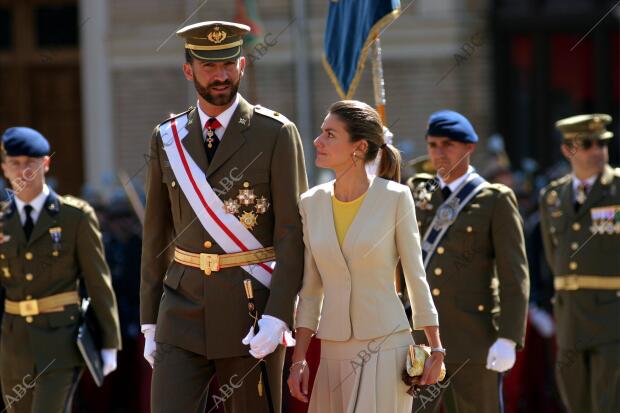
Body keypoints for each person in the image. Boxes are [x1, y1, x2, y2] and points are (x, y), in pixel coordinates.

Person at [140, 21, 308, 413]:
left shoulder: (275, 133)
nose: (220, 75)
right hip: (181, 308)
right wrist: (149, 319)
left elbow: (292, 232)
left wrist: (279, 314)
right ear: (188, 70)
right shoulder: (167, 137)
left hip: (249, 308)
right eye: (208, 66)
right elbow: (155, 233)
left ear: (243, 65)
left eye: (228, 64)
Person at [287, 100, 444, 412]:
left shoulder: (396, 198)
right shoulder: (310, 202)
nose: (318, 141)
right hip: (332, 351)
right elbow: (310, 288)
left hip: (386, 345)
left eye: (330, 134)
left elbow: (416, 277)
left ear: (358, 148)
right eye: (321, 133)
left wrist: (435, 344)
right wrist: (299, 358)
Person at [407, 110, 529, 413]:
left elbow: (514, 275)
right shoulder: (419, 192)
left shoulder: (494, 199)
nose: (438, 152)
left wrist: (509, 338)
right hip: (422, 340)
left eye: (447, 144)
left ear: (469, 147)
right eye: (432, 144)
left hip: (474, 340)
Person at [0, 127, 121, 413]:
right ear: (4, 168)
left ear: (45, 164)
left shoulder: (74, 217)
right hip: (13, 344)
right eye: (14, 163)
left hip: (59, 343)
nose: (22, 170)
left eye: (30, 162)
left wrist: (109, 342)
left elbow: (98, 280)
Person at [539, 113, 620, 413]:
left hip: (612, 318)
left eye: (602, 143)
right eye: (587, 144)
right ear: (567, 150)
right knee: (575, 402)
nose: (597, 150)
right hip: (571, 316)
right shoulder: (552, 196)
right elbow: (552, 254)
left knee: (609, 402)